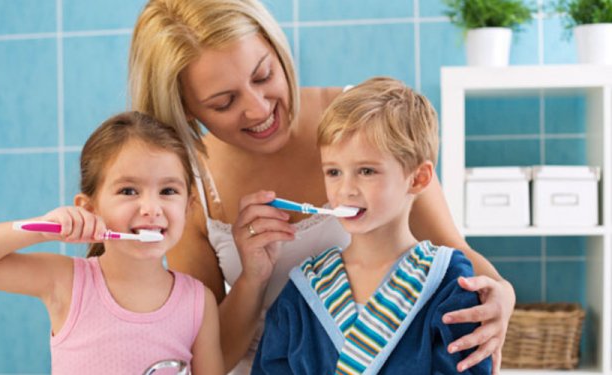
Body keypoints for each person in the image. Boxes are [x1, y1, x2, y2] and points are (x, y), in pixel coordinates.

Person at [129, 1, 515, 373]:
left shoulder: (365, 123)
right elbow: (207, 360)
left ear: (278, 50)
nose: (260, 108)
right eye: (224, 102)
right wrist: (253, 278)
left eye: (263, 75)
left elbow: (455, 251)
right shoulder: (185, 185)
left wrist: (503, 293)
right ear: (186, 108)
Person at [0, 112, 223, 375]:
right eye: (128, 190)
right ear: (89, 209)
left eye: (168, 190)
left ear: (189, 207)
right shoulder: (67, 282)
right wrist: (42, 230)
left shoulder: (198, 302)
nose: (151, 207)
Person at [252, 77, 492, 374]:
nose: (346, 189)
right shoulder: (305, 288)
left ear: (418, 179)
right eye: (334, 172)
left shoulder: (448, 281)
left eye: (366, 171)